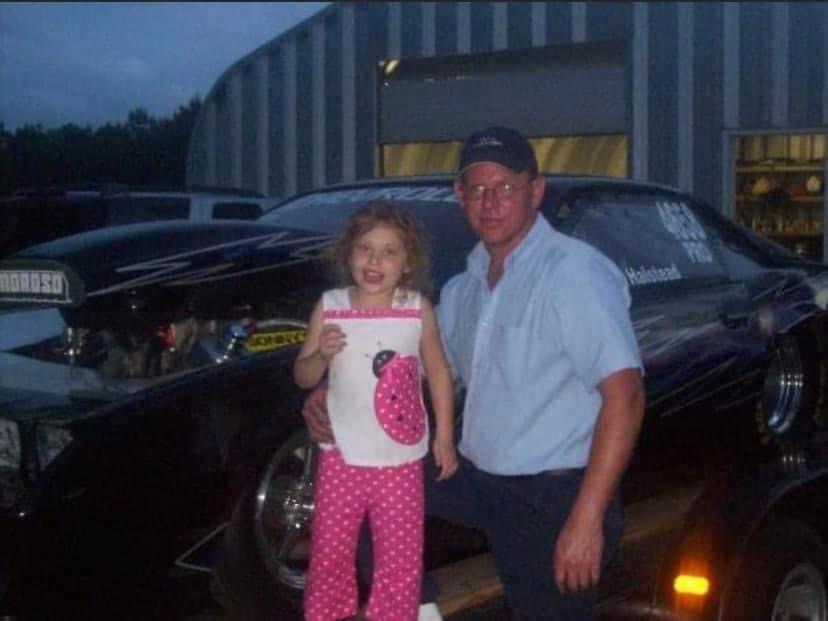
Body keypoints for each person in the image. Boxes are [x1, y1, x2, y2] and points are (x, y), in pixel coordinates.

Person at [304, 127, 645, 620]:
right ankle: (415, 610)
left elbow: (626, 395)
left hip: (553, 496)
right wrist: (327, 393)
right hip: (479, 479)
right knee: (358, 470)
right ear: (460, 195)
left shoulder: (572, 274)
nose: (490, 202)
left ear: (535, 191)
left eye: (505, 187)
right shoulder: (465, 287)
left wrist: (586, 520)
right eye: (477, 189)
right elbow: (405, 369)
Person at [294, 201, 458, 621]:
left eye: (389, 252)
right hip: (342, 456)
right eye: (365, 249)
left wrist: (443, 438)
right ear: (348, 253)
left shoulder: (415, 307)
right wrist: (321, 356)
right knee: (330, 550)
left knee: (399, 559)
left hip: (400, 462)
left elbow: (438, 372)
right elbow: (303, 375)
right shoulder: (330, 305)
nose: (375, 261)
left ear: (406, 263)